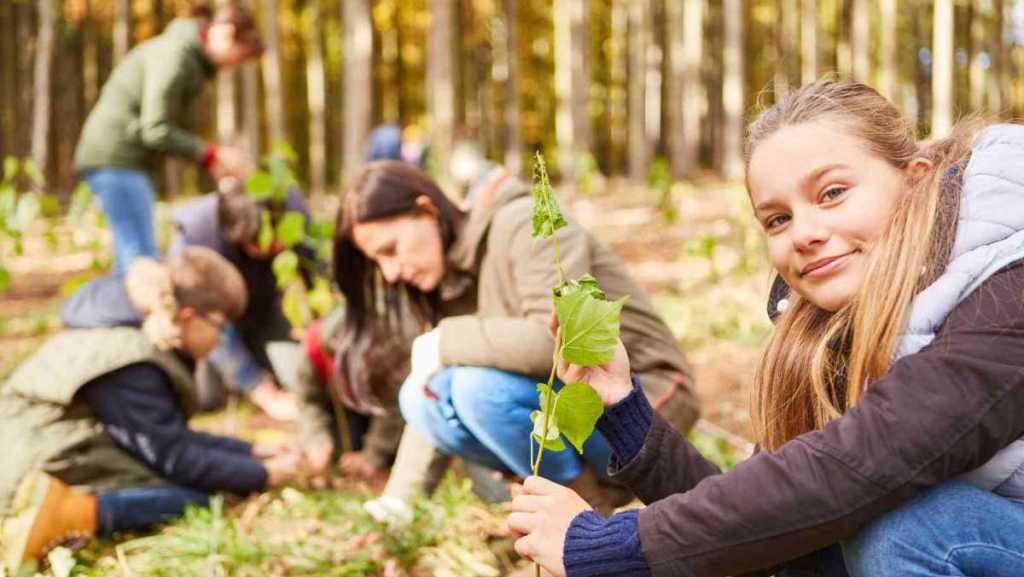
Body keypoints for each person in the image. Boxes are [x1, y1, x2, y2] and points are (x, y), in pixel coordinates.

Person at [506, 80, 1024, 577]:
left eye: (832, 192)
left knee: (908, 530)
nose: (804, 234)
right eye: (777, 219)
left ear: (916, 178)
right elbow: (770, 532)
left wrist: (616, 549)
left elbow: (859, 465)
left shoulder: (1010, 281)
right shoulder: (829, 333)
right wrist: (622, 406)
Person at [333, 160, 699, 511]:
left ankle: (583, 518)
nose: (391, 272)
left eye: (390, 250)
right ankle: (579, 509)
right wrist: (400, 503)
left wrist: (443, 341)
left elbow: (562, 342)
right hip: (579, 413)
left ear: (427, 211)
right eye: (378, 263)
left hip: (644, 404)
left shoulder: (525, 221)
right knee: (420, 396)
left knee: (476, 391)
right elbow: (434, 389)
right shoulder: (453, 273)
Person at [1, 248, 299, 573]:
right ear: (187, 316)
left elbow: (168, 435)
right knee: (193, 498)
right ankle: (73, 513)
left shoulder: (126, 323)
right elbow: (174, 459)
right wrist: (263, 475)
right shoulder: (131, 360)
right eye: (222, 327)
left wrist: (253, 451)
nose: (221, 341)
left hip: (41, 444)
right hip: (24, 473)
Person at [62, 188, 309, 421]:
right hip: (208, 323)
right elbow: (203, 317)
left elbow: (317, 268)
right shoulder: (197, 235)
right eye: (264, 243)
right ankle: (234, 376)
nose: (278, 247)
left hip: (262, 313)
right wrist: (259, 388)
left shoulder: (290, 208)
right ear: (235, 233)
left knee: (298, 377)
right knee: (203, 397)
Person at [73, 3, 262, 275]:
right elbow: (155, 128)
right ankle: (128, 316)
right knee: (140, 261)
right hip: (116, 159)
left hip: (124, 161)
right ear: (226, 33)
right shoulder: (175, 56)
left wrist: (210, 160)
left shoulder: (188, 59)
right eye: (239, 56)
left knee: (136, 255)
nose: (234, 65)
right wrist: (211, 155)